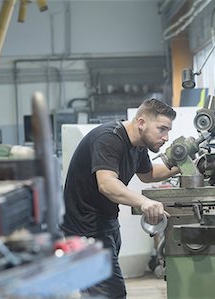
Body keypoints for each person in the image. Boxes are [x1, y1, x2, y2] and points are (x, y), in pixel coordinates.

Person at [60, 98, 179, 298]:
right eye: (162, 129)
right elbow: (106, 184)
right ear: (141, 122)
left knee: (97, 291)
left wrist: (184, 165)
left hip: (106, 223)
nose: (166, 137)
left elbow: (148, 174)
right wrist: (144, 202)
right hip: (85, 227)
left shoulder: (138, 145)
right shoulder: (109, 139)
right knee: (110, 293)